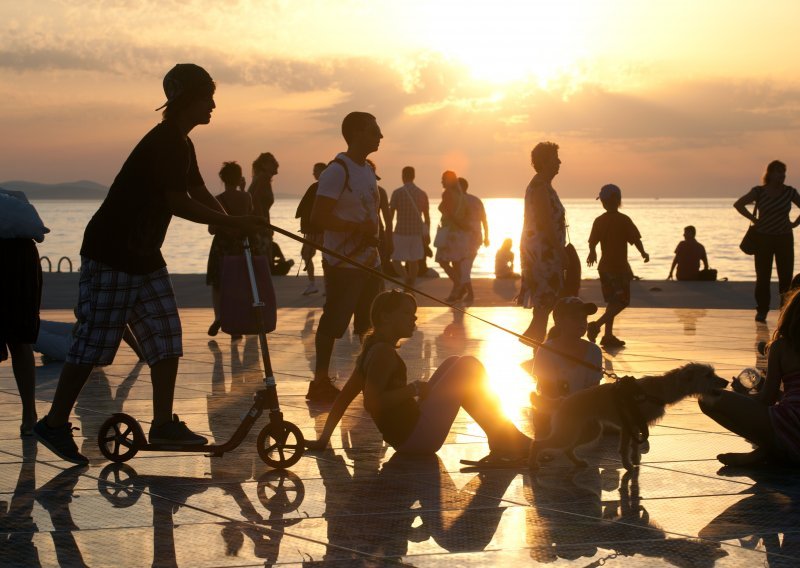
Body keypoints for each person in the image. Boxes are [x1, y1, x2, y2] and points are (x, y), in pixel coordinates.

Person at [33, 64, 267, 464]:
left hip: (144, 255)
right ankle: (54, 423)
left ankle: (163, 423)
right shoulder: (166, 142)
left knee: (165, 335)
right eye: (206, 96)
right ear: (185, 100)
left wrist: (228, 225)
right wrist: (229, 222)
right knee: (92, 343)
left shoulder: (182, 143)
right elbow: (176, 202)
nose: (213, 104)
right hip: (113, 252)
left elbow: (196, 190)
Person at [306, 290, 531, 464]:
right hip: (417, 438)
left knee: (455, 362)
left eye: (413, 314)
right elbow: (372, 403)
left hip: (407, 437)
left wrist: (323, 440)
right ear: (385, 317)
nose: (413, 319)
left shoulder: (372, 350)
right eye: (406, 314)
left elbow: (343, 399)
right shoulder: (382, 353)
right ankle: (505, 440)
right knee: (469, 367)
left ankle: (503, 439)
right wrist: (411, 389)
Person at [307, 111, 383, 403]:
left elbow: (371, 213)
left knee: (369, 322)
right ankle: (320, 381)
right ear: (357, 133)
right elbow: (319, 216)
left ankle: (365, 380)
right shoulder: (338, 170)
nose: (380, 136)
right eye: (375, 130)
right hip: (343, 262)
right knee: (335, 321)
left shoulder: (366, 169)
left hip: (370, 261)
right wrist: (356, 228)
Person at [699, 287, 800, 466]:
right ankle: (771, 452)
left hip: (791, 424)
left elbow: (766, 400)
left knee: (707, 398)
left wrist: (742, 394)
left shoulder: (782, 347)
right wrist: (777, 394)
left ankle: (770, 450)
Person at [0, 191, 45, 436]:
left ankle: (30, 414)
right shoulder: (15, 201)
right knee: (21, 342)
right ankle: (29, 416)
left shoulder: (11, 201)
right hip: (23, 261)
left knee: (21, 340)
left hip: (18, 263)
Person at [734, 160, 800, 322]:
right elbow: (739, 204)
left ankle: (785, 311)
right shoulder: (759, 191)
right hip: (763, 238)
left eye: (783, 173)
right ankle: (762, 310)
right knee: (763, 276)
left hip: (784, 238)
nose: (782, 176)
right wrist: (754, 219)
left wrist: (795, 223)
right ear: (770, 174)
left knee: (785, 277)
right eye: (778, 172)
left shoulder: (789, 192)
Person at [586, 184, 649, 349]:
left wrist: (592, 252)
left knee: (613, 302)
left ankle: (607, 336)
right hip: (618, 268)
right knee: (622, 301)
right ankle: (597, 325)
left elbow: (592, 241)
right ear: (618, 200)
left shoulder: (599, 220)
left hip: (604, 268)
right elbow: (635, 239)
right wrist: (643, 253)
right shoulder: (623, 220)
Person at [531, 297, 603, 439]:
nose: (581, 323)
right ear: (559, 321)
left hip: (582, 411)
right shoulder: (546, 350)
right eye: (575, 318)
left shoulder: (594, 351)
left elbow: (593, 390)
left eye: (584, 318)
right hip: (552, 411)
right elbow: (548, 391)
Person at [518, 142, 566, 348]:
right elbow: (545, 224)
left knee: (545, 302)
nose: (559, 162)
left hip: (542, 252)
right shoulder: (540, 188)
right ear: (545, 162)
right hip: (543, 254)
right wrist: (560, 251)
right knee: (545, 300)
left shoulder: (543, 186)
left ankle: (535, 342)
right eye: (555, 159)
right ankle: (536, 343)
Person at [206, 161, 256, 337]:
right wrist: (243, 190)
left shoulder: (217, 200)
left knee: (217, 284)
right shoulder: (246, 197)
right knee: (239, 284)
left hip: (221, 246)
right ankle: (237, 323)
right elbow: (248, 219)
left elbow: (212, 229)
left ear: (222, 178)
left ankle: (219, 316)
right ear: (239, 178)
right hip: (240, 246)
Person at [389, 166, 430, 290]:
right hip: (416, 233)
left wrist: (388, 232)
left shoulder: (397, 192)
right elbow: (427, 217)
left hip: (400, 232)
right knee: (414, 261)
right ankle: (411, 283)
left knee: (395, 260)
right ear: (414, 176)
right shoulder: (422, 193)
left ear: (403, 176)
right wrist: (427, 234)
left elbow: (390, 215)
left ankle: (406, 278)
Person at [435, 171, 472, 302]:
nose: (441, 182)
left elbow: (449, 213)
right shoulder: (460, 195)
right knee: (456, 263)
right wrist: (463, 226)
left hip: (450, 232)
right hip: (459, 234)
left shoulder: (447, 193)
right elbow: (465, 213)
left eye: (443, 179)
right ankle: (456, 292)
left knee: (442, 260)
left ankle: (458, 283)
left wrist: (458, 224)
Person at [295, 162, 327, 295]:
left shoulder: (320, 187)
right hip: (313, 229)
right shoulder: (316, 187)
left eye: (316, 170)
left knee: (323, 257)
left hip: (318, 229)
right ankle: (313, 283)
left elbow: (307, 207)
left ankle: (322, 284)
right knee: (308, 255)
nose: (313, 173)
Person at [459, 177, 489, 303]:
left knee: (463, 266)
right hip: (477, 236)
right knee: (465, 265)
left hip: (465, 237)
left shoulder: (460, 201)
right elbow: (484, 220)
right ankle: (462, 289)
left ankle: (469, 293)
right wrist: (487, 236)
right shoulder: (476, 200)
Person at [248, 152, 279, 247]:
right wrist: (264, 224)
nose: (276, 163)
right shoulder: (263, 178)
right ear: (264, 165)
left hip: (258, 224)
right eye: (272, 161)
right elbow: (255, 200)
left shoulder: (259, 178)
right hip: (259, 226)